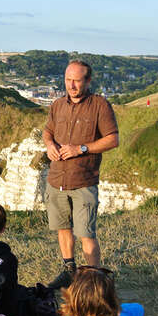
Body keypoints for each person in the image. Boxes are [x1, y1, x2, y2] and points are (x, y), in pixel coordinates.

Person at [42, 60, 119, 286]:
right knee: (63, 228)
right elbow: (48, 131)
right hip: (57, 179)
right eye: (68, 80)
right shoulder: (57, 105)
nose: (71, 85)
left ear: (88, 81)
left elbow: (113, 139)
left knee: (86, 233)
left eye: (76, 80)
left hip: (83, 180)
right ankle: (69, 270)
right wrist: (49, 146)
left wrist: (81, 148)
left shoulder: (100, 106)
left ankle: (93, 280)